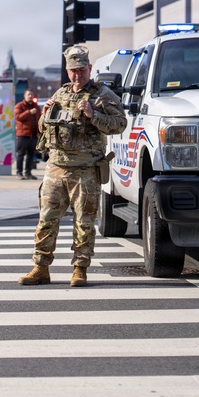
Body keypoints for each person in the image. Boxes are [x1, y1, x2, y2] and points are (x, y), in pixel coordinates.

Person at [19, 45, 126, 288]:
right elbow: (44, 131)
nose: (76, 75)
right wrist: (44, 117)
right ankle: (41, 267)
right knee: (46, 219)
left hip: (85, 170)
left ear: (89, 68)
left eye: (81, 69)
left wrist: (93, 115)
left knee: (83, 221)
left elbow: (120, 124)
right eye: (72, 70)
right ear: (67, 71)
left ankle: (80, 269)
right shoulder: (60, 94)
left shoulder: (102, 95)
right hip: (56, 167)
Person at [14, 90, 40, 180]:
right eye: (28, 94)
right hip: (23, 134)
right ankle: (19, 172)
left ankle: (28, 172)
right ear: (24, 96)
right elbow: (18, 117)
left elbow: (39, 120)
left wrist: (39, 133)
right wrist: (29, 112)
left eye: (32, 94)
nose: (30, 96)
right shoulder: (20, 106)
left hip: (33, 135)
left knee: (31, 154)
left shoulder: (36, 107)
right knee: (21, 154)